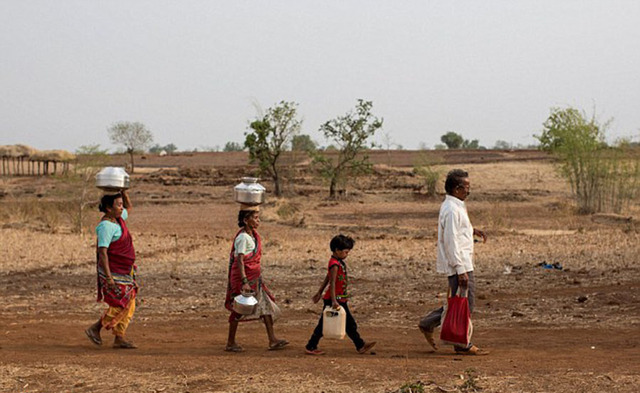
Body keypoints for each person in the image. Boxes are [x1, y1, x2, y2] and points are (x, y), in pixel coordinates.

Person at [418, 169, 488, 355]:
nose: (468, 191)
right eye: (466, 187)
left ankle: (429, 324)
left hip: (463, 262)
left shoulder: (455, 205)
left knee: (459, 302)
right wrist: (460, 269)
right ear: (457, 189)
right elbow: (450, 240)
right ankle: (461, 343)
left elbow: (457, 231)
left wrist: (472, 230)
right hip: (460, 264)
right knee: (465, 304)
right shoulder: (451, 209)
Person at [224, 206, 288, 352]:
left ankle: (272, 340)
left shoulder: (253, 235)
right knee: (239, 310)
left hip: (255, 278)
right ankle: (230, 342)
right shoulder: (243, 238)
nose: (258, 221)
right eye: (255, 218)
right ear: (246, 220)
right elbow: (240, 261)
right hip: (244, 280)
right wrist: (245, 281)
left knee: (265, 305)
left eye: (258, 217)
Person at [304, 234, 376, 356]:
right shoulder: (335, 264)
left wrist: (320, 292)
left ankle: (360, 345)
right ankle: (311, 346)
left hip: (338, 299)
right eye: (346, 252)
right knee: (328, 324)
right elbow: (332, 283)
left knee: (348, 324)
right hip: (335, 299)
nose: (347, 254)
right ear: (337, 250)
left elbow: (328, 278)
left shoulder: (337, 262)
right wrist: (333, 300)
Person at [85, 189, 138, 349]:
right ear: (109, 208)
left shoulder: (118, 219)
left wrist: (123, 192)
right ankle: (95, 328)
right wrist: (108, 278)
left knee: (130, 303)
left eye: (121, 204)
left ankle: (119, 337)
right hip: (113, 271)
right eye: (118, 205)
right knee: (120, 304)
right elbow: (103, 252)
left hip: (124, 270)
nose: (122, 208)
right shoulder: (106, 226)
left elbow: (129, 208)